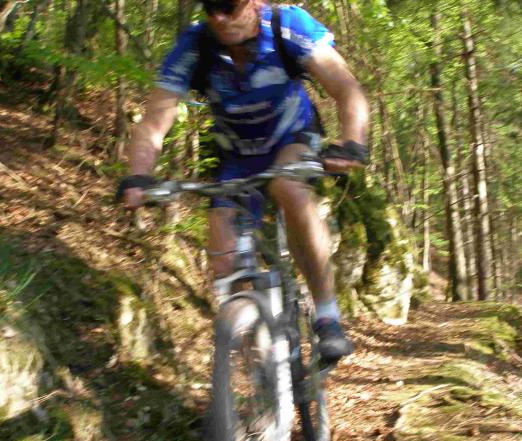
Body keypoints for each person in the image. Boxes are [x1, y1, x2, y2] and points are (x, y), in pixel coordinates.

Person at [117, 0, 369, 362]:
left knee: (288, 188)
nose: (219, 16)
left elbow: (346, 87)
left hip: (292, 138)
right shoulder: (195, 45)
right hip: (236, 154)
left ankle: (328, 317)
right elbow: (155, 121)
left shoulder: (287, 26)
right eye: (211, 6)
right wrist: (138, 175)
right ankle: (264, 375)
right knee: (223, 259)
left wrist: (352, 142)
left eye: (229, 5)